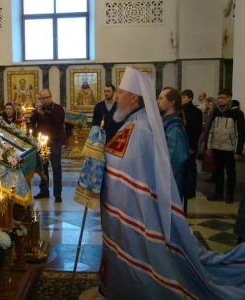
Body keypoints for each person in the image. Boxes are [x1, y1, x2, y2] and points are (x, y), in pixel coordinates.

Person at [98, 67, 245, 299]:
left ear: (133, 97)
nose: (117, 96)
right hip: (133, 204)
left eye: (122, 92)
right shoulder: (135, 122)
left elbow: (130, 168)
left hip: (140, 206)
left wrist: (98, 160)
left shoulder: (140, 128)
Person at [206, 89, 245, 203]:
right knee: (218, 170)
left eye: (222, 97)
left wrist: (237, 151)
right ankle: (218, 192)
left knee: (230, 171)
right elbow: (211, 130)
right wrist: (209, 146)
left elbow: (240, 133)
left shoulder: (237, 113)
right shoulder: (216, 111)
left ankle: (229, 194)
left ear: (229, 98)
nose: (220, 100)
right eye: (219, 97)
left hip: (230, 148)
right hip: (217, 146)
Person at [30, 89, 65, 203]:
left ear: (51, 96)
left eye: (47, 97)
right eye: (42, 98)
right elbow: (32, 120)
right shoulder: (39, 109)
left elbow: (59, 122)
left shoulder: (58, 109)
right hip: (42, 143)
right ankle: (44, 191)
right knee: (43, 169)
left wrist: (49, 113)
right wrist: (36, 113)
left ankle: (57, 194)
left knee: (56, 168)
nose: (45, 100)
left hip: (55, 142)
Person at [157, 87, 189, 205]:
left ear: (172, 102)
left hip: (169, 182)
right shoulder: (165, 123)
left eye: (161, 98)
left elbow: (175, 158)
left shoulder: (174, 128)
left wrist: (164, 181)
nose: (157, 102)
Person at [181, 89, 203, 199]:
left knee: (191, 167)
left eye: (184, 97)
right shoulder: (179, 110)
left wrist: (193, 146)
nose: (182, 99)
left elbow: (197, 130)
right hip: (181, 143)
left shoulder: (196, 112)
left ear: (190, 98)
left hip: (190, 143)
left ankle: (191, 190)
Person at [200, 98, 218, 182]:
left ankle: (215, 176)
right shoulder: (208, 113)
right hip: (207, 135)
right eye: (209, 105)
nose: (210, 107)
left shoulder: (214, 115)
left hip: (213, 139)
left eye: (211, 105)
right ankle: (212, 175)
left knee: (213, 160)